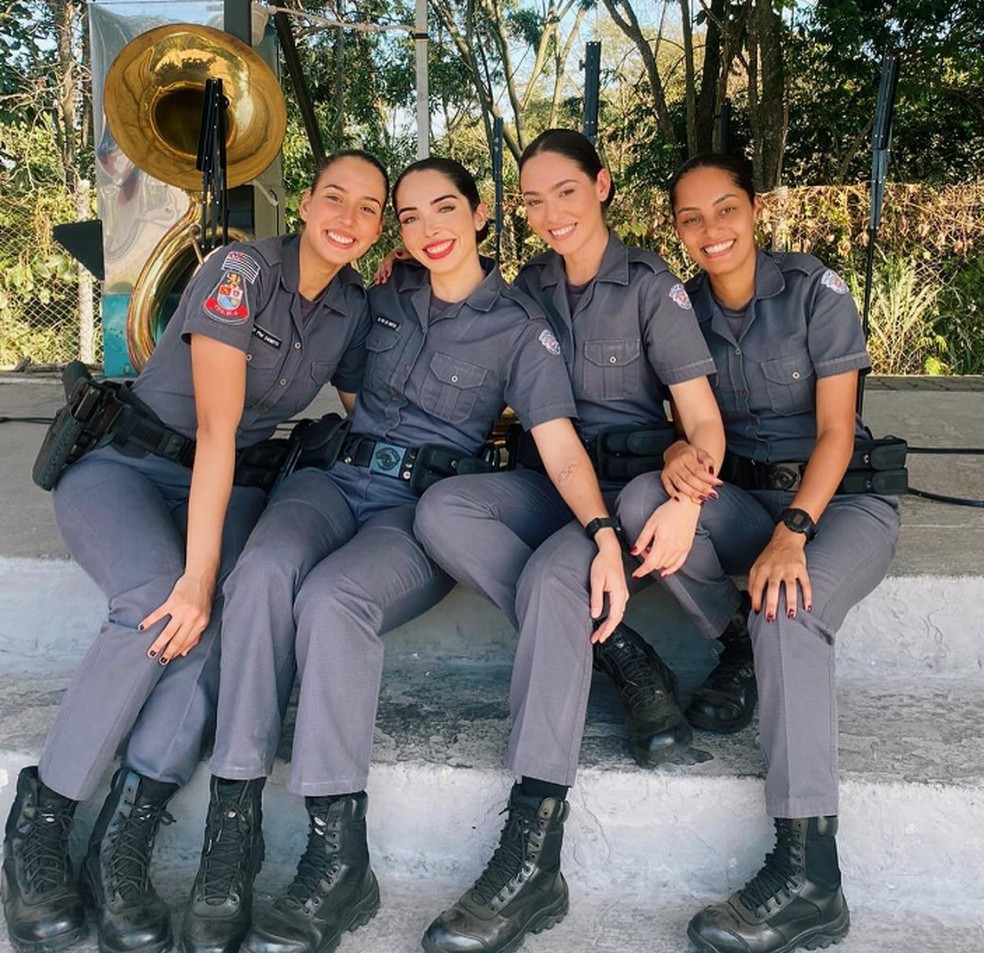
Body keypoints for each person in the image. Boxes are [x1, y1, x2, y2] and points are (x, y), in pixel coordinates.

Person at [177, 156, 626, 953]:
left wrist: (600, 533)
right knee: (261, 573)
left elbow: (558, 448)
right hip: (332, 479)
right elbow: (348, 387)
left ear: (481, 213)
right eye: (410, 217)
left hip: (412, 513)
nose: (428, 231)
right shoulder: (379, 298)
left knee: (331, 601)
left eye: (444, 209)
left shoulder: (520, 326)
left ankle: (337, 856)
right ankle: (232, 831)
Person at [1, 149, 390, 953]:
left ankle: (128, 833)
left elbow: (370, 408)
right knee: (157, 595)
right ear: (306, 201)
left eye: (370, 209)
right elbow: (216, 428)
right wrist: (197, 578)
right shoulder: (240, 269)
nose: (348, 219)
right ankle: (41, 822)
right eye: (335, 198)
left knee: (234, 613)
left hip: (232, 487)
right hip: (129, 467)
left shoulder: (352, 306)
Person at [408, 129, 724, 953]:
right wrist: (406, 272)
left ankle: (532, 848)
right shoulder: (530, 285)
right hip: (549, 478)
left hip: (624, 490)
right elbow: (467, 314)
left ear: (603, 186)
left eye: (566, 192)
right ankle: (624, 654)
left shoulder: (651, 285)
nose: (550, 213)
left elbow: (701, 420)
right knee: (443, 510)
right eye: (533, 199)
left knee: (554, 579)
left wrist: (688, 495)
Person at [615, 153, 901, 953]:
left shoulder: (815, 291)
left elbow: (839, 432)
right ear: (674, 227)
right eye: (691, 217)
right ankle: (732, 639)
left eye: (726, 209)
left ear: (756, 209)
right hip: (740, 501)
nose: (712, 231)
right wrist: (677, 451)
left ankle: (811, 872)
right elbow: (679, 413)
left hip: (838, 505)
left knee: (790, 606)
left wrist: (793, 532)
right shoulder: (675, 310)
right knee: (642, 501)